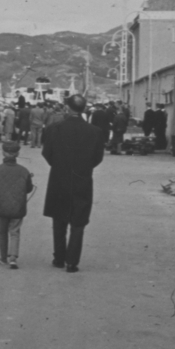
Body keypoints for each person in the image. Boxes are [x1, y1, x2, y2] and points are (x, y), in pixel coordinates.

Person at [41, 94, 105, 272]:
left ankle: (59, 258)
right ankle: (72, 262)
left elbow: (47, 153)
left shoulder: (54, 128)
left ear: (67, 108)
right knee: (78, 222)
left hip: (59, 178)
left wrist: (60, 165)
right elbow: (97, 158)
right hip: (82, 179)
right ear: (84, 109)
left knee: (59, 220)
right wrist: (83, 167)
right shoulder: (95, 132)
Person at [0, 140, 35, 268]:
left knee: (2, 232)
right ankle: (13, 258)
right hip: (18, 207)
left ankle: (3, 258)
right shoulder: (24, 171)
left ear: (3, 152)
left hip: (2, 206)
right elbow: (29, 189)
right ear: (18, 153)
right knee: (15, 231)